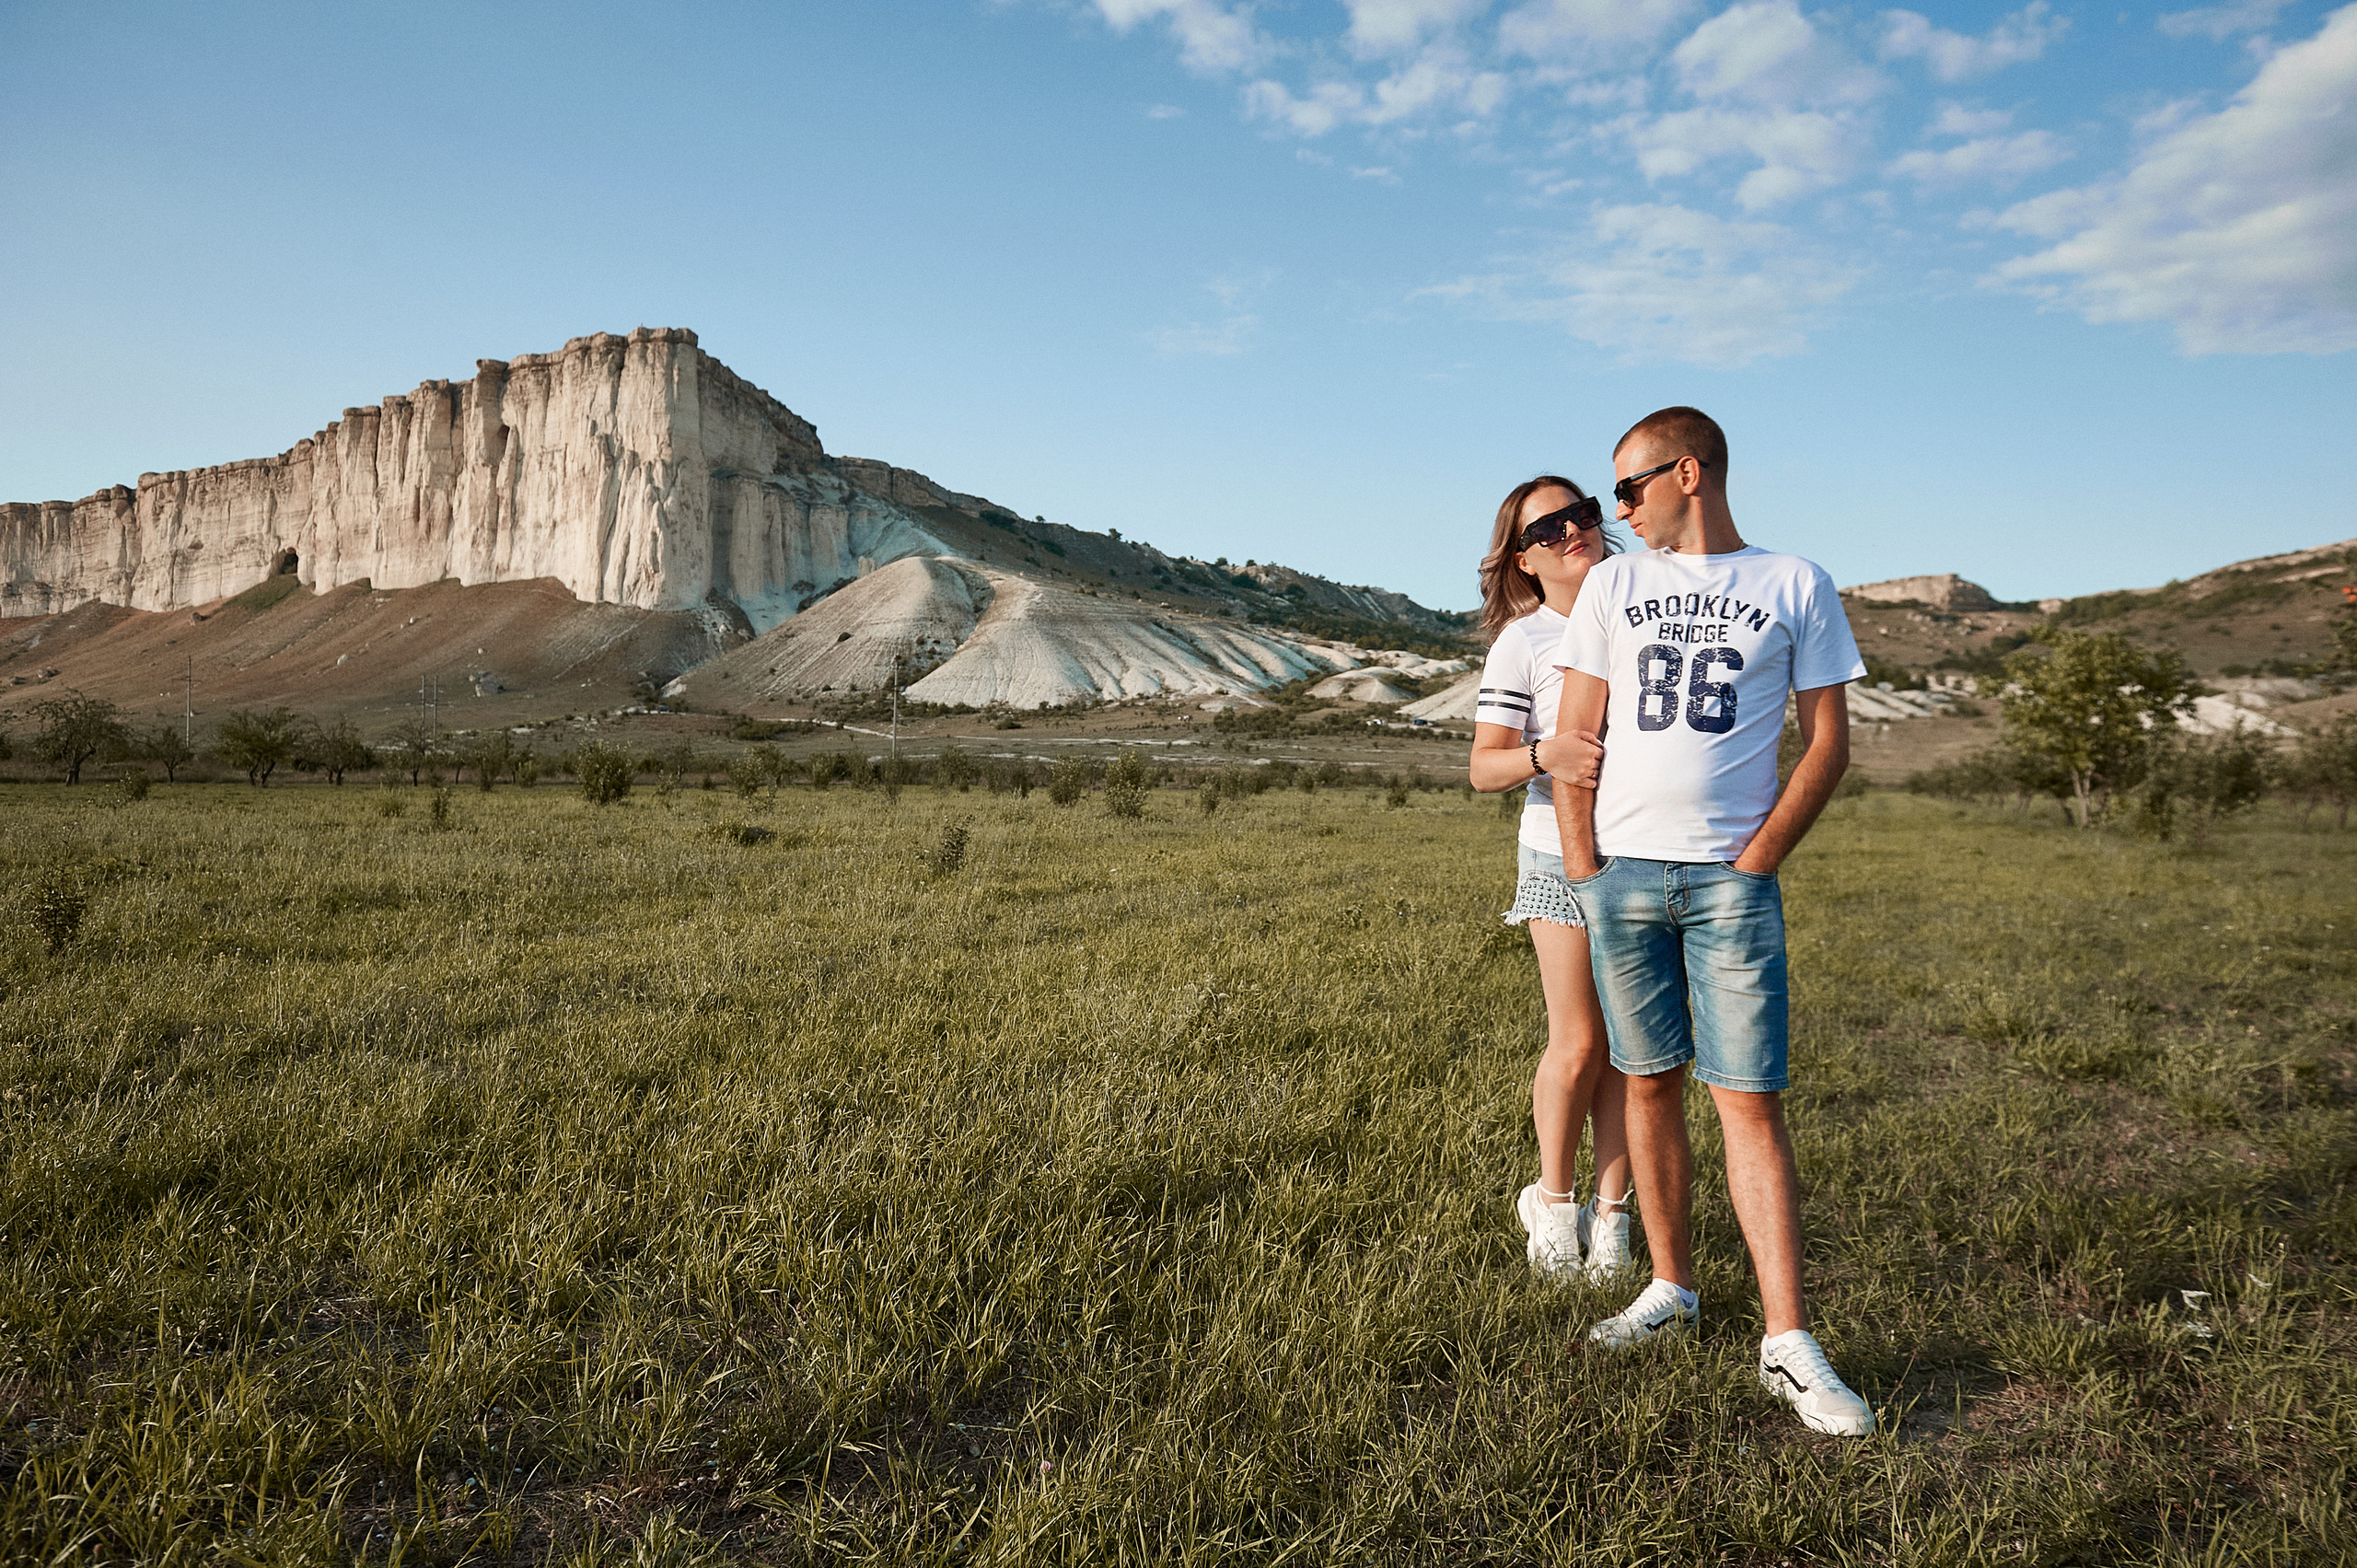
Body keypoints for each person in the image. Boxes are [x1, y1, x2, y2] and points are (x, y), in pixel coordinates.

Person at [1548, 408, 1877, 1437]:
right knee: (1646, 1082)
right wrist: (1582, 865)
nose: (1617, 513)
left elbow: (1827, 741)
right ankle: (1669, 1285)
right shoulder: (1613, 584)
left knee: (1748, 1097)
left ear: (1687, 472)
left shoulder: (1793, 582)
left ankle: (1786, 1338)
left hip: (1731, 882)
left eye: (1630, 489)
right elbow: (1575, 733)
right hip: (1624, 877)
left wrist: (1760, 856)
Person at [1468, 476, 1632, 1285]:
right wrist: (1547, 754)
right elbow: (1482, 767)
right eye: (1547, 528)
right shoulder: (1524, 642)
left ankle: (1615, 1217)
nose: (1571, 531)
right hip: (1555, 857)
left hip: (1642, 853)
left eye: (1582, 514)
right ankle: (1553, 1201)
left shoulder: (1641, 613)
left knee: (1634, 1053)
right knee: (1579, 1042)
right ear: (1524, 560)